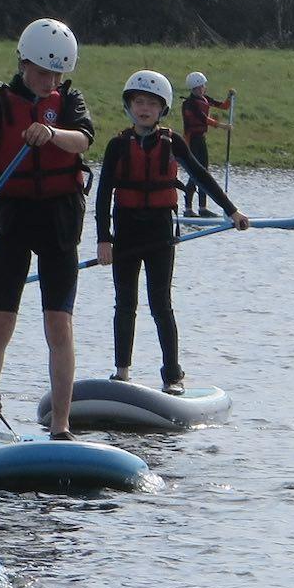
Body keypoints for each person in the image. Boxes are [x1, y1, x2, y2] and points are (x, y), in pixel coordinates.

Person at [0, 19, 93, 445]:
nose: (51, 82)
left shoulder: (69, 102)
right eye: (44, 72)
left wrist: (51, 132)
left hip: (60, 225)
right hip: (12, 223)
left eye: (58, 74)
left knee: (58, 326)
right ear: (24, 64)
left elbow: (82, 140)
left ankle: (61, 427)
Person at [95, 71, 250, 393]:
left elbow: (201, 176)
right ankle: (121, 371)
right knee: (125, 303)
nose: (144, 109)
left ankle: (172, 375)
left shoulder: (172, 141)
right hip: (125, 232)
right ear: (129, 106)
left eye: (151, 104)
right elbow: (102, 195)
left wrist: (231, 210)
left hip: (160, 233)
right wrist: (103, 239)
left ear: (162, 109)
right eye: (139, 102)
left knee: (160, 304)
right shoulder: (117, 145)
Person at [180, 71, 234, 217]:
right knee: (196, 173)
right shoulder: (189, 104)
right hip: (192, 140)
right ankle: (188, 209)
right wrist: (223, 126)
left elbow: (223, 106)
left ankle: (202, 208)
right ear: (197, 87)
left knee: (204, 172)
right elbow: (203, 119)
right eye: (203, 85)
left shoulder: (204, 99)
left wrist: (229, 98)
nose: (205, 87)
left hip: (201, 139)